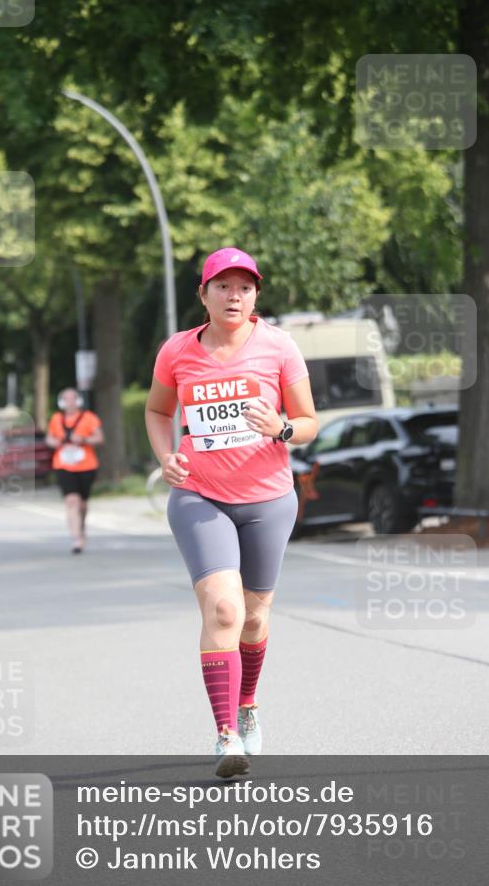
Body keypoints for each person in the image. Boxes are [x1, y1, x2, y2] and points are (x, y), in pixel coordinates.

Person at [145, 247, 318, 778]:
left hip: (268, 498)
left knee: (256, 615)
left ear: (256, 296)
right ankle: (226, 736)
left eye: (244, 287)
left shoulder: (279, 348)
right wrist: (166, 457)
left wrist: (282, 429)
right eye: (223, 286)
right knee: (223, 611)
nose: (234, 295)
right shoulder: (177, 351)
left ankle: (247, 704)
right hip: (201, 495)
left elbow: (308, 420)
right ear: (204, 294)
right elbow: (157, 411)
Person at [45, 389, 104, 553]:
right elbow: (49, 438)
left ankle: (81, 526)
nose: (69, 402)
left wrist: (84, 439)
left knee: (82, 504)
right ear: (61, 402)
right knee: (71, 500)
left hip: (86, 465)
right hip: (63, 465)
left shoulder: (89, 418)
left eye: (72, 399)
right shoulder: (56, 419)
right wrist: (54, 442)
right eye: (66, 399)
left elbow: (99, 438)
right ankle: (76, 539)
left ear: (78, 401)